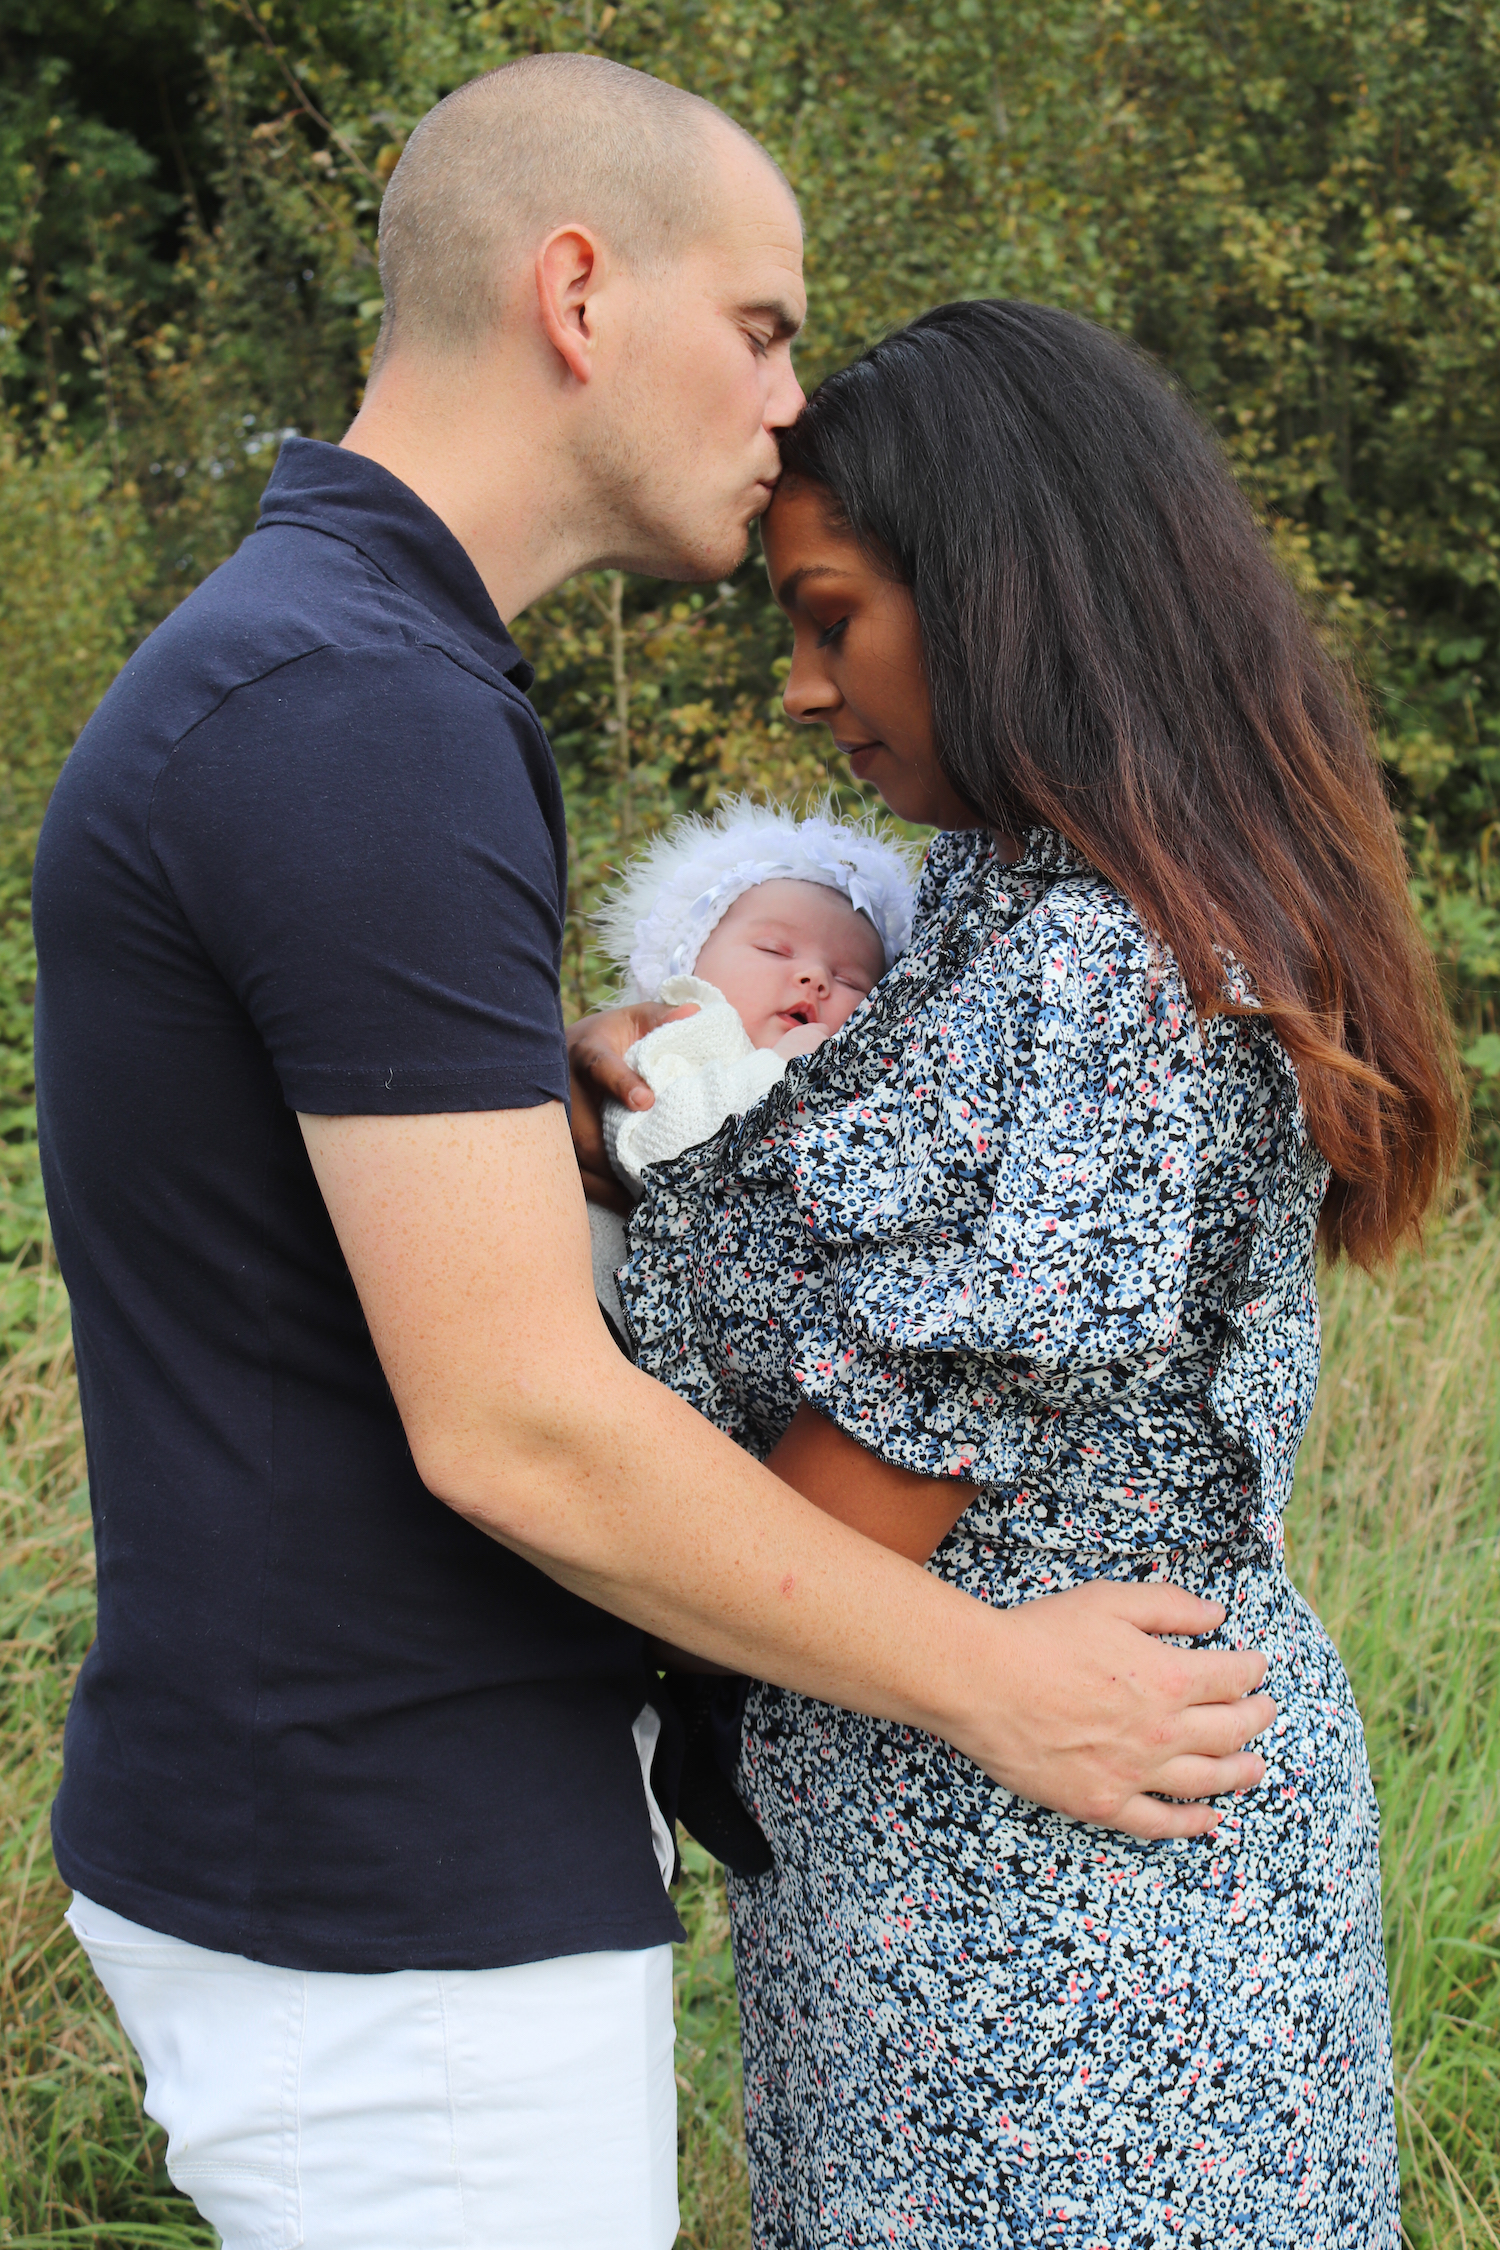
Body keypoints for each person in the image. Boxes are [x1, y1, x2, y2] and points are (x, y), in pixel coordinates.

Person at [34, 47, 1273, 2250]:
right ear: (579, 293)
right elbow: (515, 1420)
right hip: (391, 1887)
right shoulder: (359, 708)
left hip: (387, 1843)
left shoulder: (343, 671)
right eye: (767, 326)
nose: (792, 404)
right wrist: (1010, 1685)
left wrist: (565, 1126)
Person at [575, 301, 1464, 2245]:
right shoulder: (969, 911)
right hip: (927, 1848)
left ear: (998, 595)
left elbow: (860, 1496)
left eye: (830, 616)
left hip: (1076, 1906)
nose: (805, 688)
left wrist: (547, 1541)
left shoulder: (1122, 979)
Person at [586, 799, 913, 1339]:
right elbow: (654, 1148)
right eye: (773, 949)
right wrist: (778, 1074)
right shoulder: (687, 1037)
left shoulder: (874, 1081)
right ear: (689, 962)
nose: (813, 976)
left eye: (852, 980)